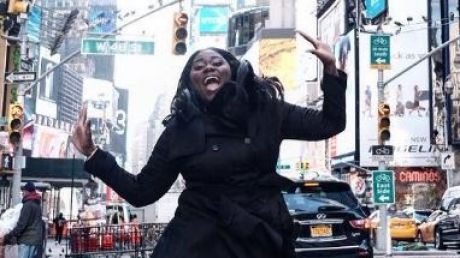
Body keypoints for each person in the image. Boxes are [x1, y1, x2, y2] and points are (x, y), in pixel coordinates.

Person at [72, 30, 347, 258]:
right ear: (190, 82)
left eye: (216, 63)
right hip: (197, 239)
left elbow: (329, 124)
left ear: (233, 70)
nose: (208, 68)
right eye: (199, 66)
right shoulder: (178, 130)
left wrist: (332, 72)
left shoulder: (266, 110)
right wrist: (93, 154)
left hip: (257, 234)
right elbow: (142, 191)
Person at [3, 181, 43, 258]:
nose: (22, 193)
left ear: (27, 191)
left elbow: (21, 224)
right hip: (35, 240)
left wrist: (9, 236)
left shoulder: (27, 205)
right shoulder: (37, 205)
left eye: (23, 191)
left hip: (26, 240)